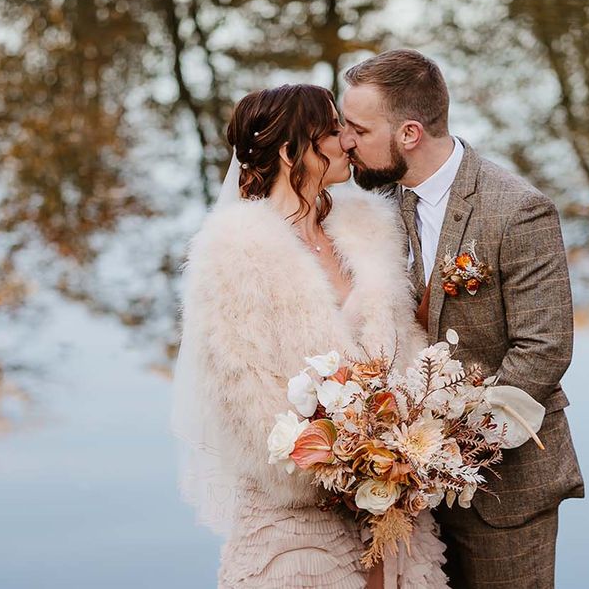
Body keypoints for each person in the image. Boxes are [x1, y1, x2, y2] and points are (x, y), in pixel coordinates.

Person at [173, 83, 448, 588]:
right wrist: (341, 466)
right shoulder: (233, 253)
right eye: (332, 130)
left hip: (396, 512)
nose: (348, 140)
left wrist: (403, 450)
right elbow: (242, 392)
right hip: (295, 519)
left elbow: (408, 346)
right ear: (290, 150)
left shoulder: (371, 228)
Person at [339, 49, 585, 588]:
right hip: (402, 489)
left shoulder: (517, 209)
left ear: (408, 133)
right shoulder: (376, 200)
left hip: (506, 487)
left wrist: (448, 443)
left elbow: (544, 348)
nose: (345, 141)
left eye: (357, 127)